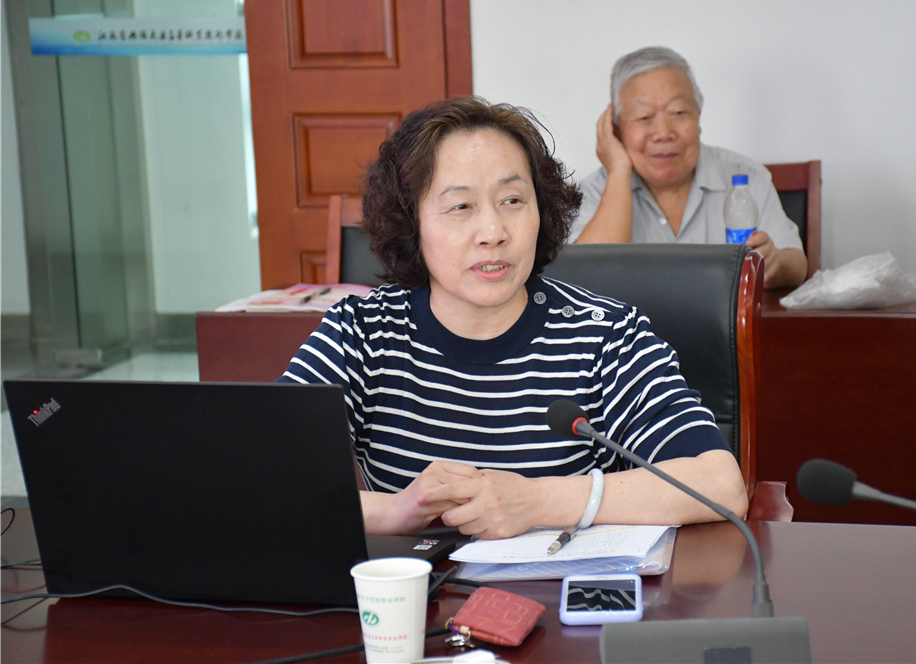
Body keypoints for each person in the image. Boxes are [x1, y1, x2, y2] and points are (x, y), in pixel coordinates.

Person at [279, 96, 748, 540]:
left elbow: (720, 485)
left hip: (563, 593)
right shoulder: (362, 331)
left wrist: (535, 501)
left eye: (512, 201)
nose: (493, 232)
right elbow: (264, 476)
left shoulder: (605, 336)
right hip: (415, 594)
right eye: (461, 206)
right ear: (411, 223)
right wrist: (394, 511)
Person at [571, 46, 808, 289]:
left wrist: (775, 263)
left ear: (698, 116)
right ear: (615, 128)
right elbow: (583, 282)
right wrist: (619, 173)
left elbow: (796, 264)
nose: (663, 133)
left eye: (678, 112)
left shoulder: (744, 177)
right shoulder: (593, 191)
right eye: (644, 117)